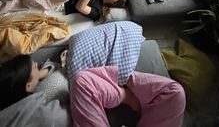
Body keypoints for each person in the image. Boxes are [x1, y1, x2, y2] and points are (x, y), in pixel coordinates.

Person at [0, 55, 186, 127]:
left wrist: (40, 72)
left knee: (175, 92)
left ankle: (125, 90)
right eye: (34, 67)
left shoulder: (28, 99)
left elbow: (52, 67)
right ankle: (126, 95)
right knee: (81, 80)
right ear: (26, 86)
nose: (37, 64)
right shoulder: (31, 113)